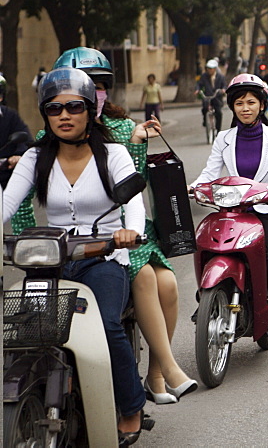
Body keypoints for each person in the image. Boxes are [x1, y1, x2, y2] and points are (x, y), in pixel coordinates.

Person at [13, 47, 198, 406]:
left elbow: (134, 190)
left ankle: (157, 373)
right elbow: (21, 198)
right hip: (64, 244)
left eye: (99, 85)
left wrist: (138, 145)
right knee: (144, 279)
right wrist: (24, 239)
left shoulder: (125, 128)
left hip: (123, 233)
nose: (68, 112)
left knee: (168, 283)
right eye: (58, 105)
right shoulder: (46, 137)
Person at [2, 68, 148, 441]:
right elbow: (5, 204)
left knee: (107, 328)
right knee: (24, 330)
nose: (64, 115)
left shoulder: (113, 154)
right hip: (50, 261)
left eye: (73, 106)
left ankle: (131, 406)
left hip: (103, 257)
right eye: (54, 108)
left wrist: (130, 232)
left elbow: (133, 203)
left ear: (89, 111)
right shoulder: (36, 157)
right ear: (45, 115)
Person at [191, 74, 268, 328]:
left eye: (251, 102)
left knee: (258, 251)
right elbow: (209, 173)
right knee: (205, 243)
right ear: (232, 107)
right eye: (239, 103)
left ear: (262, 105)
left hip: (266, 209)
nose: (245, 108)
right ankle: (206, 297)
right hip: (232, 210)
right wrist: (193, 187)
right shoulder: (223, 138)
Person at [0, 72, 31, 188]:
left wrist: (18, 155)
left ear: (1, 97)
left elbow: (25, 138)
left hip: (6, 175)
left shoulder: (10, 115)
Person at [197, 58, 226, 133]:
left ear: (215, 69)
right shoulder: (204, 76)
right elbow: (199, 84)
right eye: (208, 68)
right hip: (207, 96)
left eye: (211, 69)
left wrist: (223, 90)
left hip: (216, 97)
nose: (209, 70)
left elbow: (224, 85)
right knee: (204, 109)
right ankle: (205, 121)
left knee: (218, 113)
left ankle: (218, 130)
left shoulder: (220, 77)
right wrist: (198, 90)